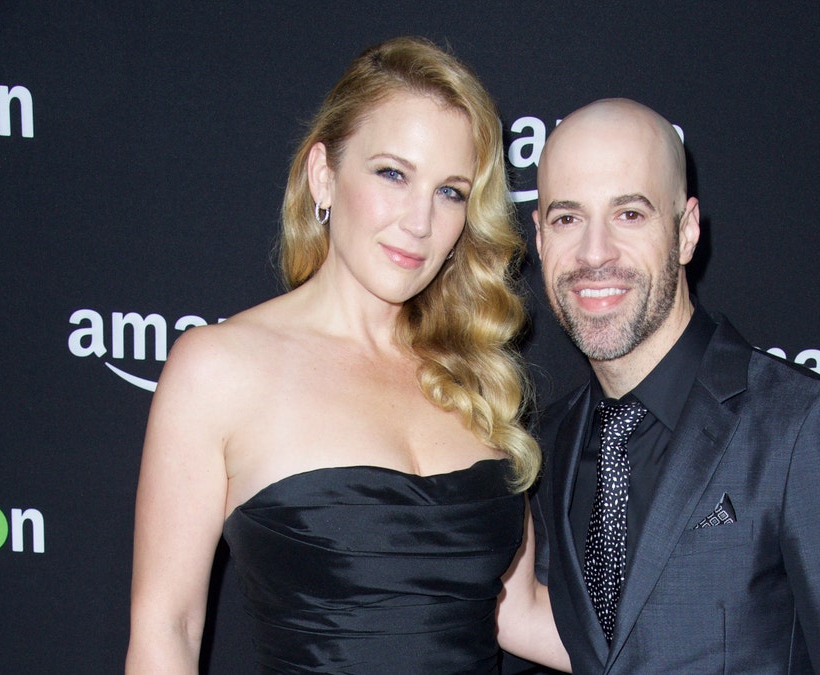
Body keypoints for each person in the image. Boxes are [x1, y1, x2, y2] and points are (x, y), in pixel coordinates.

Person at [126, 37, 568, 674]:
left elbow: (518, 612)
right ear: (322, 175)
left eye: (450, 192)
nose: (420, 220)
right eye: (393, 174)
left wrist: (715, 630)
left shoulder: (473, 374)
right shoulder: (218, 369)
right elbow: (167, 630)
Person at [528, 98, 820, 673]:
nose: (595, 253)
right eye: (568, 217)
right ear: (540, 238)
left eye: (630, 214)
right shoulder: (550, 443)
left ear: (686, 231)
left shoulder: (805, 432)